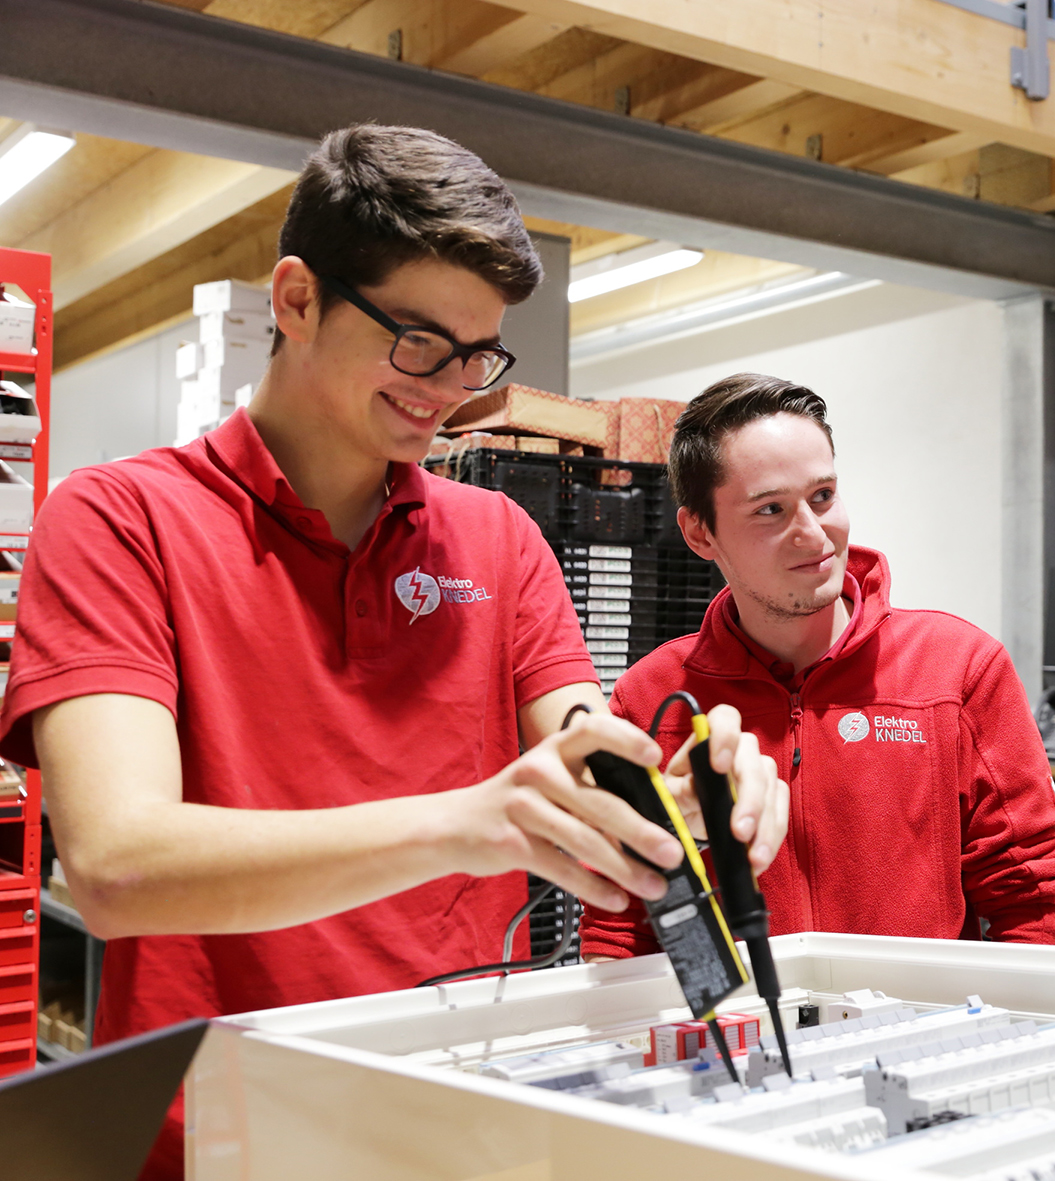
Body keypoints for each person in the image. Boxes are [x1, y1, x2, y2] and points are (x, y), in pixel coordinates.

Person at [0, 126, 785, 1179]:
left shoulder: (499, 540)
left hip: (448, 1111)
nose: (451, 386)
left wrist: (683, 803)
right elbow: (115, 865)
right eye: (418, 341)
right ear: (295, 300)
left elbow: (585, 762)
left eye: (478, 353)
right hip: (221, 1129)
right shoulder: (118, 520)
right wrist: (468, 823)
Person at [580, 373, 1055, 958]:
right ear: (699, 532)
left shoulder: (958, 668)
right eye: (770, 509)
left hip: (914, 1034)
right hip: (733, 1037)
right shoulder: (651, 697)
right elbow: (619, 920)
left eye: (823, 496)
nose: (813, 534)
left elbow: (1026, 898)